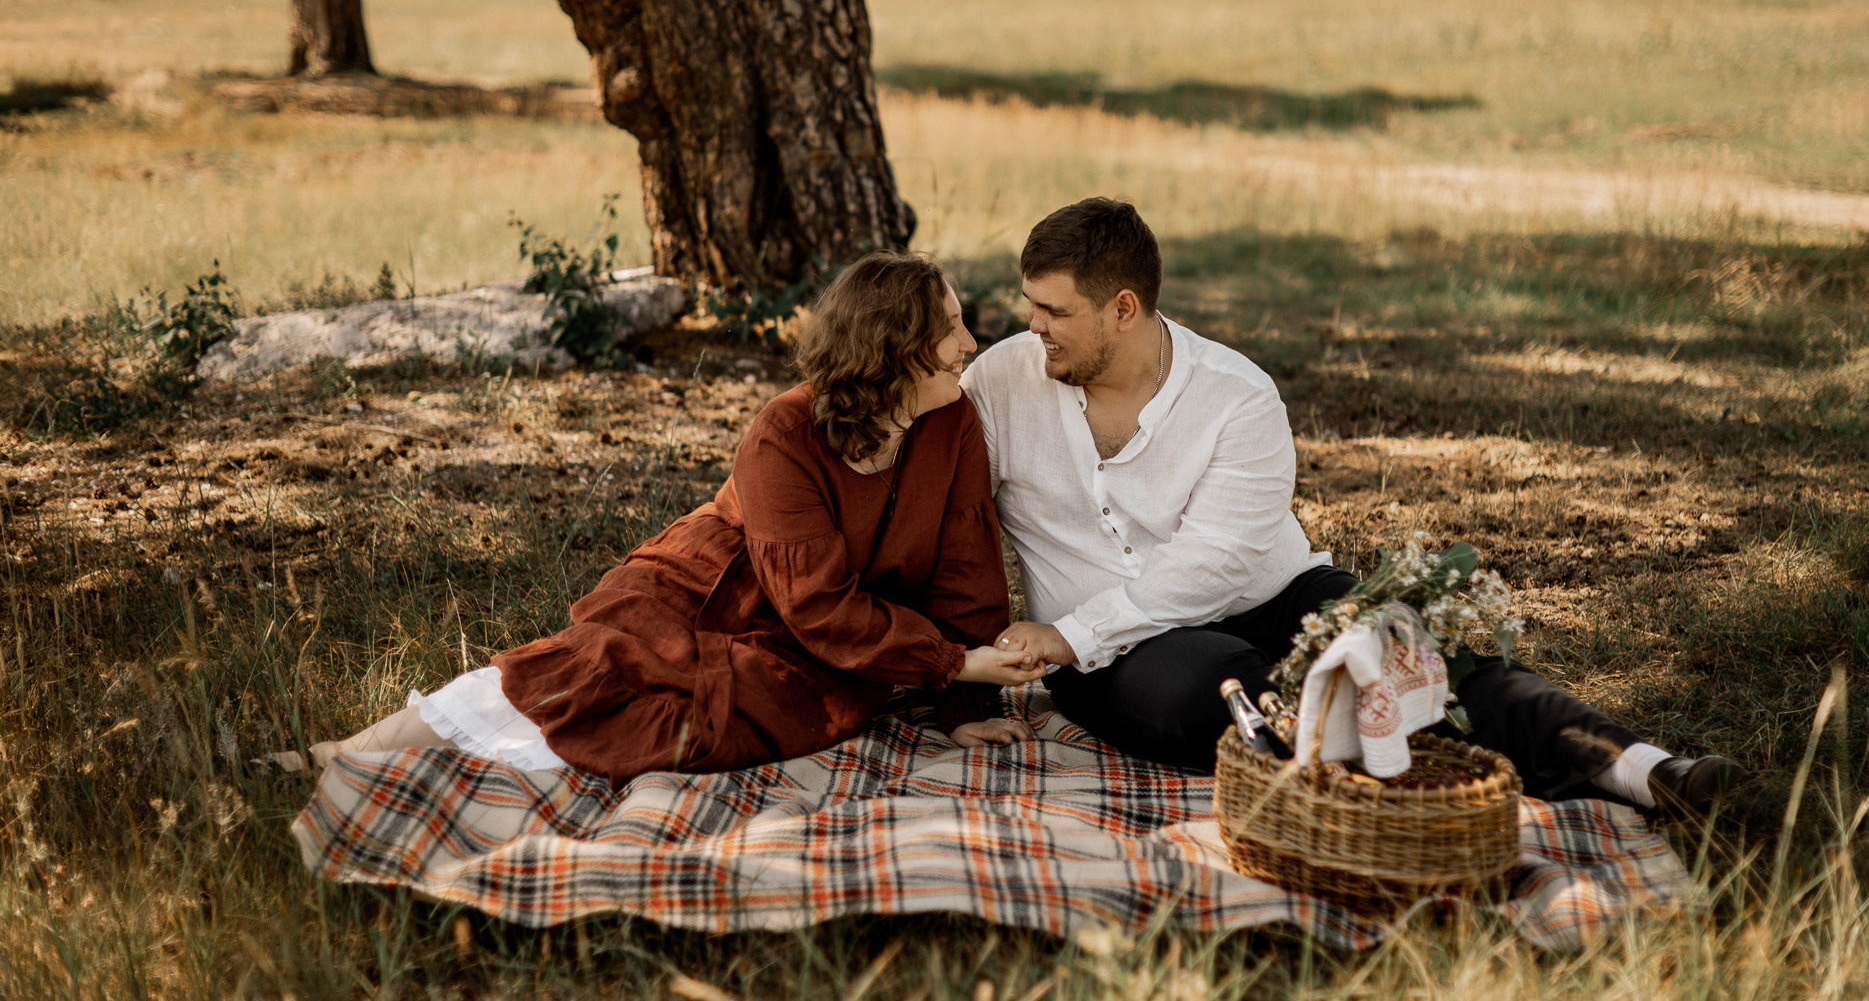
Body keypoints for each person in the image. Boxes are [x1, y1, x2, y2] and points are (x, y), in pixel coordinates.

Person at [961, 197, 1742, 818]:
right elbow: (938, 504)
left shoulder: (1237, 397)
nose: (1032, 326)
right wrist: (1008, 656)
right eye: (1031, 305)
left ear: (1124, 309)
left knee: (1414, 650)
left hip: (1267, 597)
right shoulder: (1001, 383)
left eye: (1053, 310)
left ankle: (1643, 769)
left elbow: (1215, 565)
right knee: (1211, 691)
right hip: (1114, 655)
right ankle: (1394, 773)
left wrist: (1064, 633)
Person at [287, 252, 1043, 783]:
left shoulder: (952, 421)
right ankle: (336, 757)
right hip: (710, 590)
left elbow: (965, 566)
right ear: (895, 349)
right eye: (950, 328)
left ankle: (463, 759)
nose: (969, 344)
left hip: (826, 633)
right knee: (590, 674)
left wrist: (963, 704)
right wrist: (948, 662)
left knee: (726, 720)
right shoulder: (784, 434)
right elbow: (814, 599)